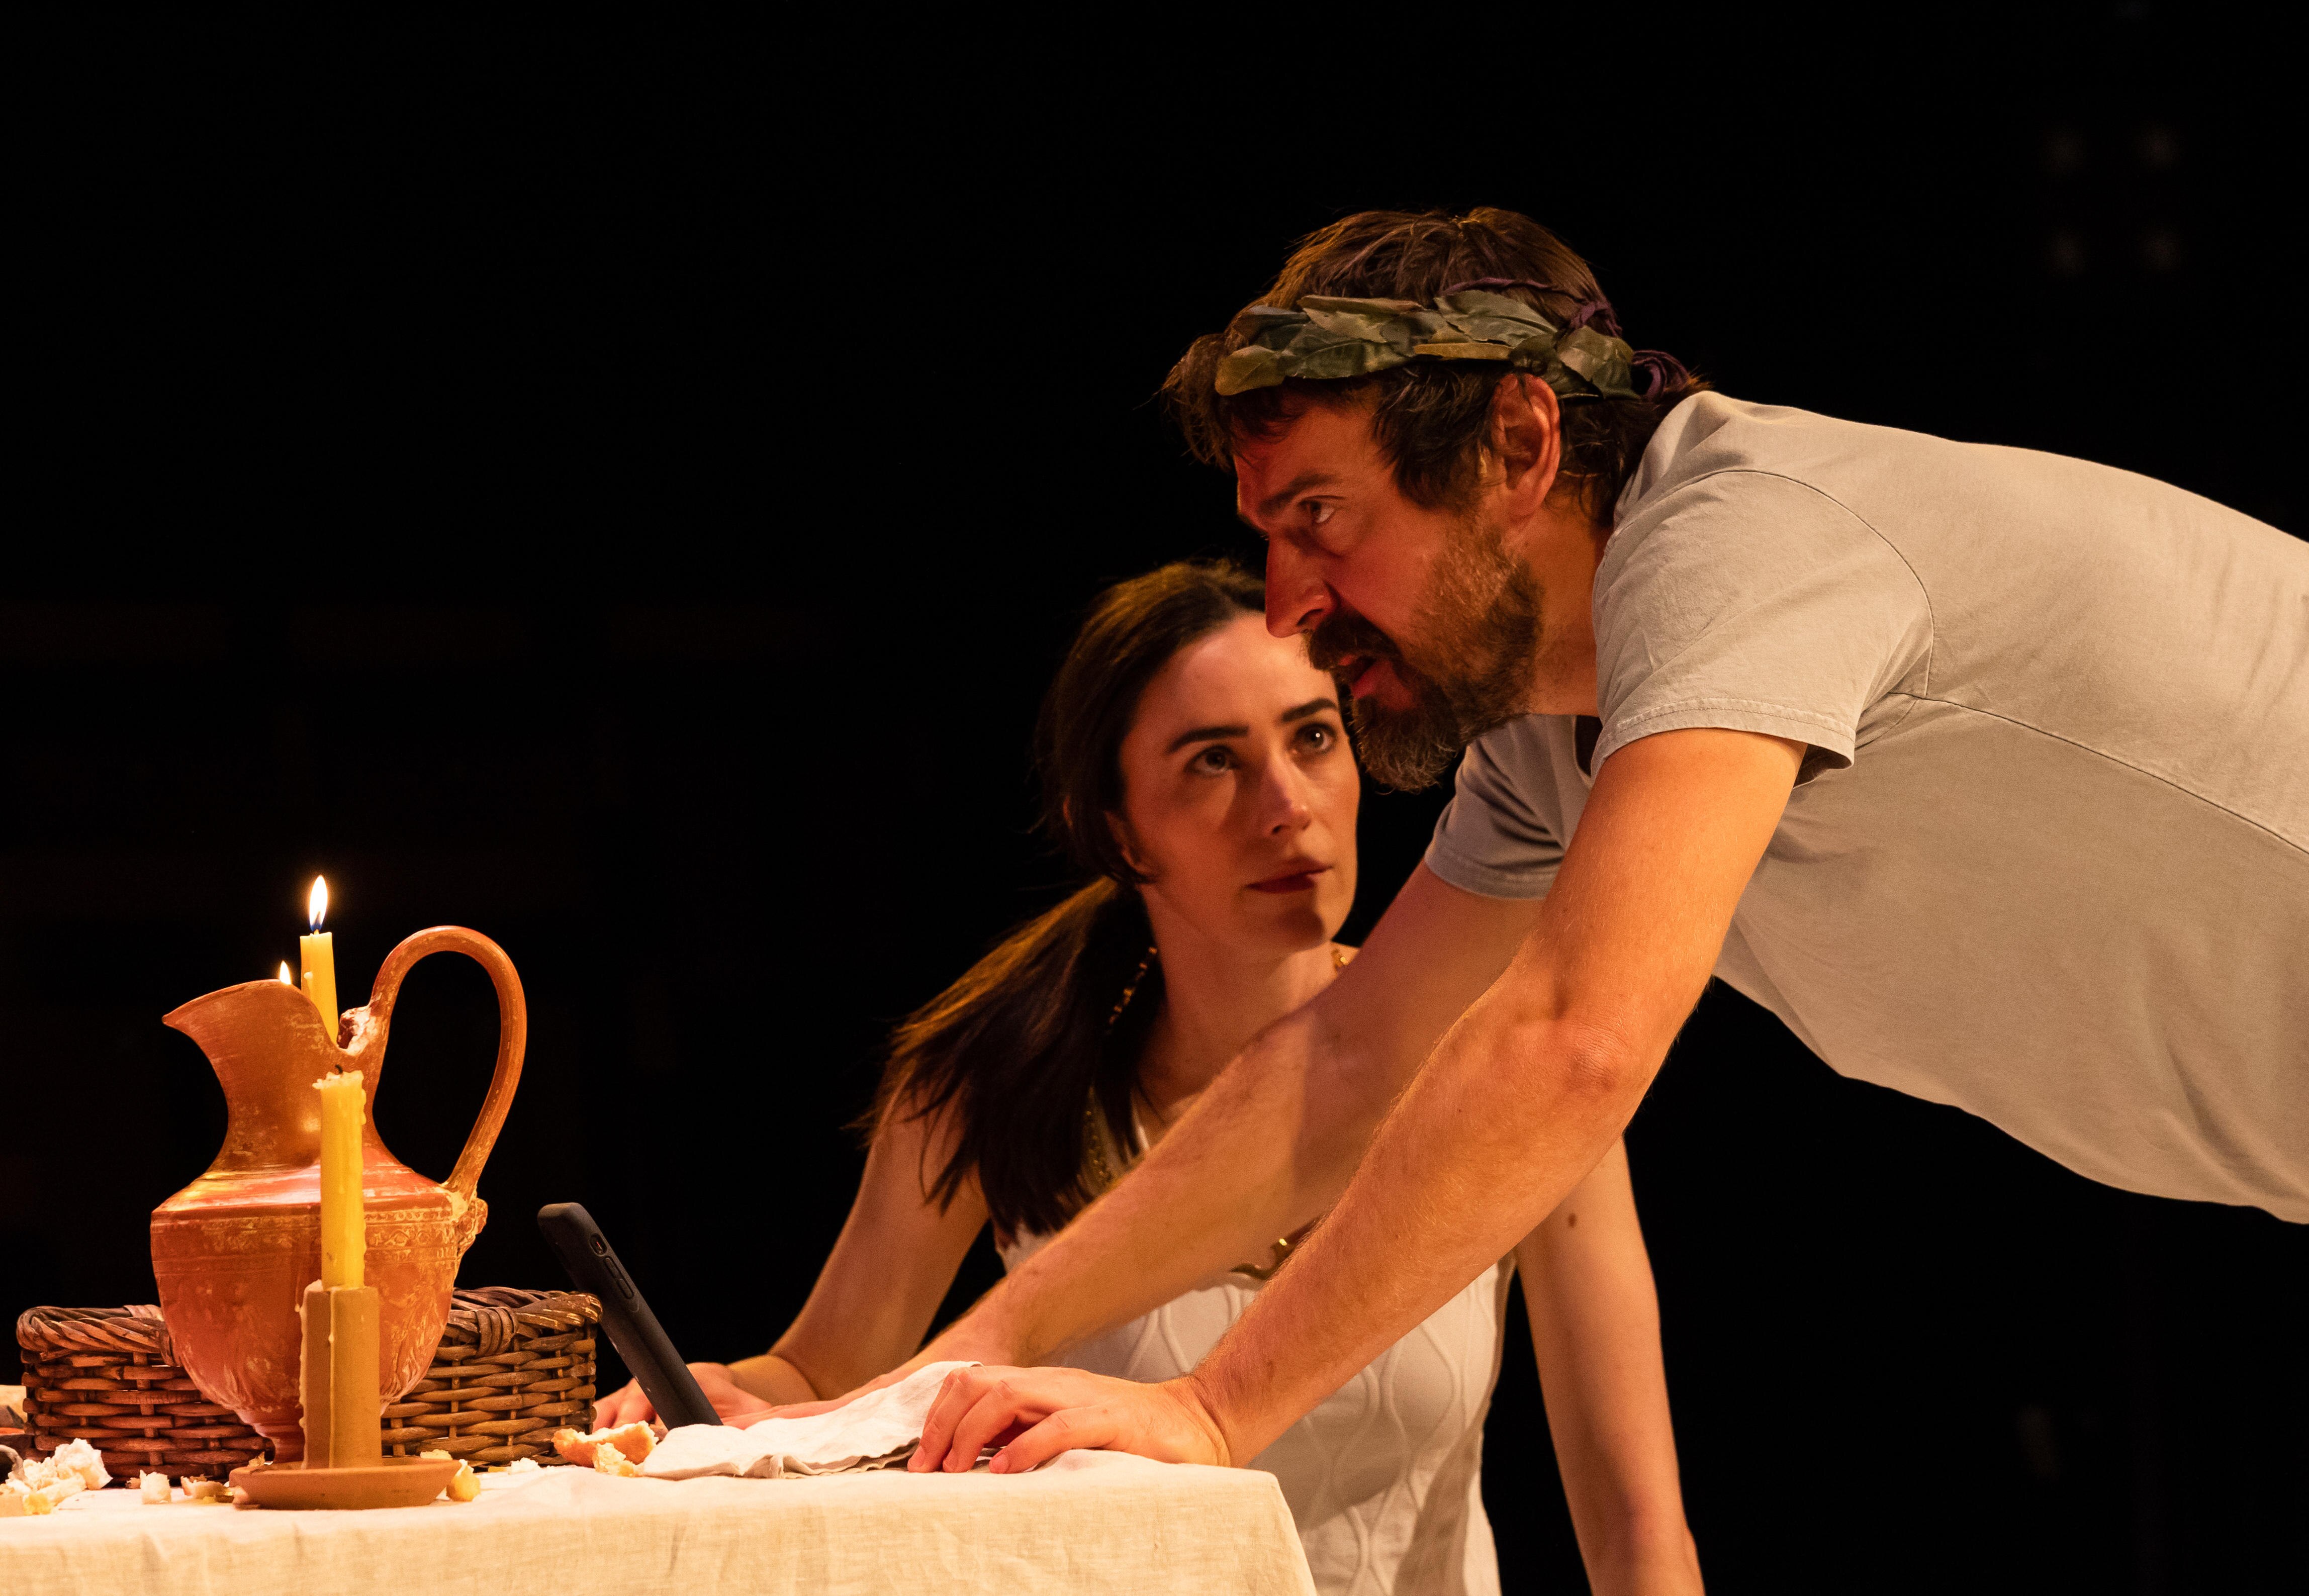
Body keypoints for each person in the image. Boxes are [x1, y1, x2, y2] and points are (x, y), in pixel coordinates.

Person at [881, 210, 2309, 1595]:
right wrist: (954, 1358)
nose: (1296, 607)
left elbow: (1578, 1036)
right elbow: (1348, 1065)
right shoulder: (1555, 747)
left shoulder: (1743, 542)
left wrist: (1221, 1412)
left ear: (1522, 440)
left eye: (1323, 519)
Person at [595, 560, 1703, 1596]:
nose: (1286, 802)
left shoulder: (1499, 1067)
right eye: (1213, 760)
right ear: (1115, 827)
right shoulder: (995, 1080)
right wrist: (721, 1399)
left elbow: (1633, 1521)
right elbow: (828, 1369)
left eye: (1314, 736)